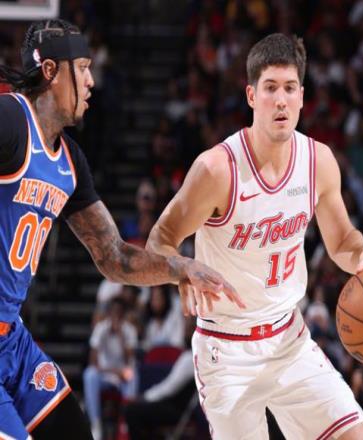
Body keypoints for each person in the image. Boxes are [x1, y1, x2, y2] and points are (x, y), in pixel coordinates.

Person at [147, 33, 363, 440]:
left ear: (302, 96)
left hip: (289, 339)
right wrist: (179, 268)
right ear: (252, 96)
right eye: (270, 88)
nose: (281, 100)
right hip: (226, 352)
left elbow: (342, 241)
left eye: (289, 88)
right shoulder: (217, 169)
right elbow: (160, 239)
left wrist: (362, 258)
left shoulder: (318, 161)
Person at [0, 19, 244, 440]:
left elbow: (113, 256)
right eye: (83, 68)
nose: (92, 81)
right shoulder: (9, 118)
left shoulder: (69, 161)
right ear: (52, 72)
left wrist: (180, 268)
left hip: (12, 341)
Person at [83, 297, 139, 440]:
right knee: (89, 374)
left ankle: (125, 424)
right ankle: (95, 423)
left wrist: (121, 336)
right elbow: (92, 361)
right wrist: (111, 371)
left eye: (119, 312)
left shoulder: (130, 330)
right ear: (109, 313)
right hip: (105, 375)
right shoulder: (101, 328)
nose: (116, 315)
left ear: (123, 314)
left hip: (122, 376)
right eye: (113, 312)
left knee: (132, 375)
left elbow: (130, 360)